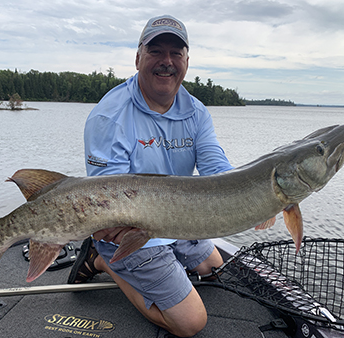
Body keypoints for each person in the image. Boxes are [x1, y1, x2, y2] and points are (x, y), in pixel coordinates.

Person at [68, 15, 233, 337]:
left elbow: (216, 166)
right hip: (133, 231)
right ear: (138, 58)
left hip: (179, 220)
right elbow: (110, 198)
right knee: (190, 323)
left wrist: (246, 193)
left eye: (176, 53)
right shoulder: (109, 115)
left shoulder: (196, 110)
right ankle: (105, 260)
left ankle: (127, 259)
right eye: (156, 51)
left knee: (214, 270)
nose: (166, 62)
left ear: (186, 61)